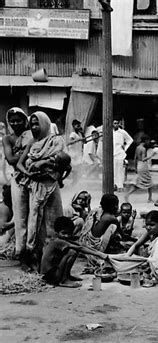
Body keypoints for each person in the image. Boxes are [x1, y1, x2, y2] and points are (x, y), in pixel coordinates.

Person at [16, 111, 66, 271]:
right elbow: (19, 164)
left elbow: (62, 160)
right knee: (36, 223)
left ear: (45, 123)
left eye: (37, 124)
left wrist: (42, 163)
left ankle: (54, 259)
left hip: (51, 186)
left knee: (52, 221)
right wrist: (28, 172)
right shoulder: (32, 142)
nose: (35, 127)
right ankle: (35, 258)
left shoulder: (56, 141)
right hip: (35, 187)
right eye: (32, 124)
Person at [41, 216, 108, 288]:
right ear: (56, 233)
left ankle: (67, 276)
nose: (66, 236)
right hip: (50, 277)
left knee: (73, 250)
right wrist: (99, 254)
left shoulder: (62, 239)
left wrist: (100, 253)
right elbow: (80, 248)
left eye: (69, 233)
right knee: (72, 252)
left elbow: (81, 244)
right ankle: (63, 280)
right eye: (63, 233)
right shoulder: (58, 241)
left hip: (52, 273)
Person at [2, 107, 32, 266]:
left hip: (34, 179)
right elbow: (10, 159)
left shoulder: (32, 135)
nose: (15, 123)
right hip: (19, 180)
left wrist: (21, 155)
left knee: (34, 215)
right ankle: (21, 252)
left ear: (24, 120)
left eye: (18, 120)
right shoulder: (7, 139)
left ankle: (34, 249)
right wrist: (28, 153)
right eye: (12, 121)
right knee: (20, 217)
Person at [80, 194, 124, 271]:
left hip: (86, 245)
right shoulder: (112, 218)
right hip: (96, 250)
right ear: (113, 206)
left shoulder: (98, 211)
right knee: (113, 227)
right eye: (116, 205)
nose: (117, 207)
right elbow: (123, 235)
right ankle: (106, 251)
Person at [125, 135, 154, 203]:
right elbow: (143, 159)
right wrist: (151, 155)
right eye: (148, 141)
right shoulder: (143, 149)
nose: (148, 142)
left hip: (139, 165)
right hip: (143, 166)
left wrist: (135, 167)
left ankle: (128, 194)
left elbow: (135, 158)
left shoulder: (137, 147)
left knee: (139, 183)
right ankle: (149, 198)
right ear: (146, 141)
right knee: (149, 182)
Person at [113, 118, 133, 192]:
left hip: (120, 153)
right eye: (114, 123)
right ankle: (114, 185)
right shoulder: (110, 133)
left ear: (119, 124)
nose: (115, 125)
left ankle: (120, 186)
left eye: (117, 123)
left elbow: (130, 140)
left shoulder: (122, 132)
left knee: (120, 170)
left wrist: (125, 147)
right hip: (112, 154)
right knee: (113, 171)